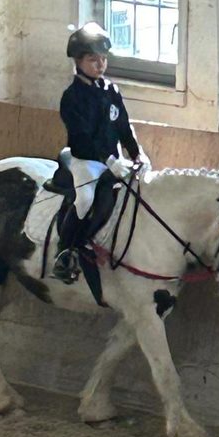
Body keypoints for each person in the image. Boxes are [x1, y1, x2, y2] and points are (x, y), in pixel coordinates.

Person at [51, 22, 149, 283]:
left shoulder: (111, 91)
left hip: (115, 160)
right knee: (85, 199)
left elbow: (123, 126)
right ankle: (65, 252)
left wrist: (137, 154)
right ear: (78, 61)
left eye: (103, 59)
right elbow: (81, 138)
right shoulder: (72, 97)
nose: (100, 65)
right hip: (86, 161)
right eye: (93, 60)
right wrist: (109, 160)